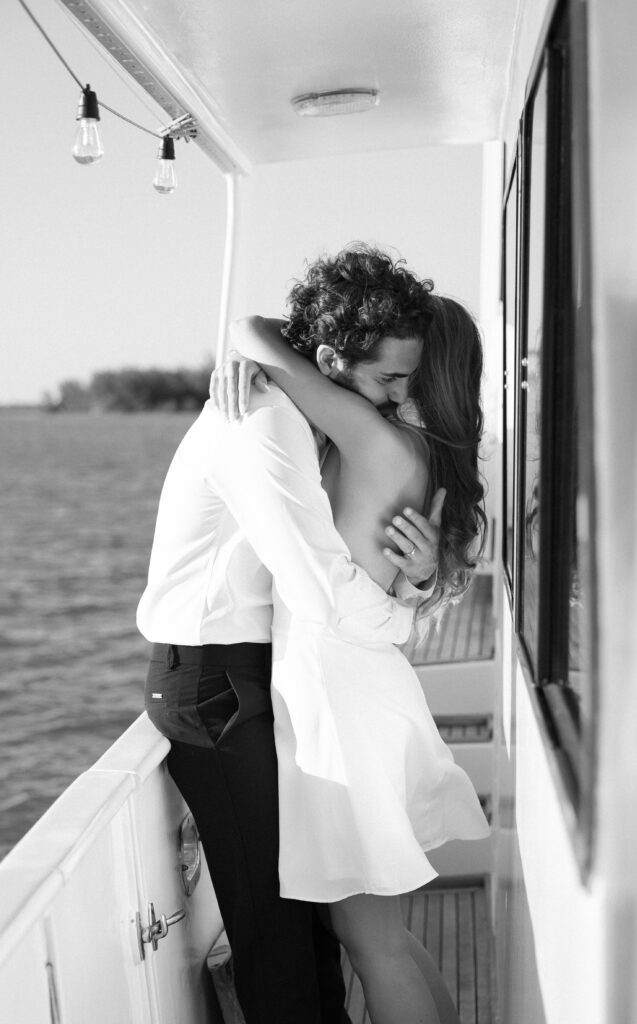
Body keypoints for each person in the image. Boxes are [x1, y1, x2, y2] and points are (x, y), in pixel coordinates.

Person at [137, 246, 444, 1024]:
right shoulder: (266, 422)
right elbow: (319, 592)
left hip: (256, 680)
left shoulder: (300, 411)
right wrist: (409, 608)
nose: (393, 402)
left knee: (311, 929)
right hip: (215, 689)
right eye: (384, 382)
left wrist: (419, 577)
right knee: (276, 941)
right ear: (332, 358)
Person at [212, 258, 491, 1024]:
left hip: (341, 704)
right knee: (388, 938)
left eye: (408, 372)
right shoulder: (427, 452)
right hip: (367, 690)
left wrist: (245, 344)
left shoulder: (373, 437)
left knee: (373, 946)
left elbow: (258, 336)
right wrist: (418, 586)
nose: (393, 386)